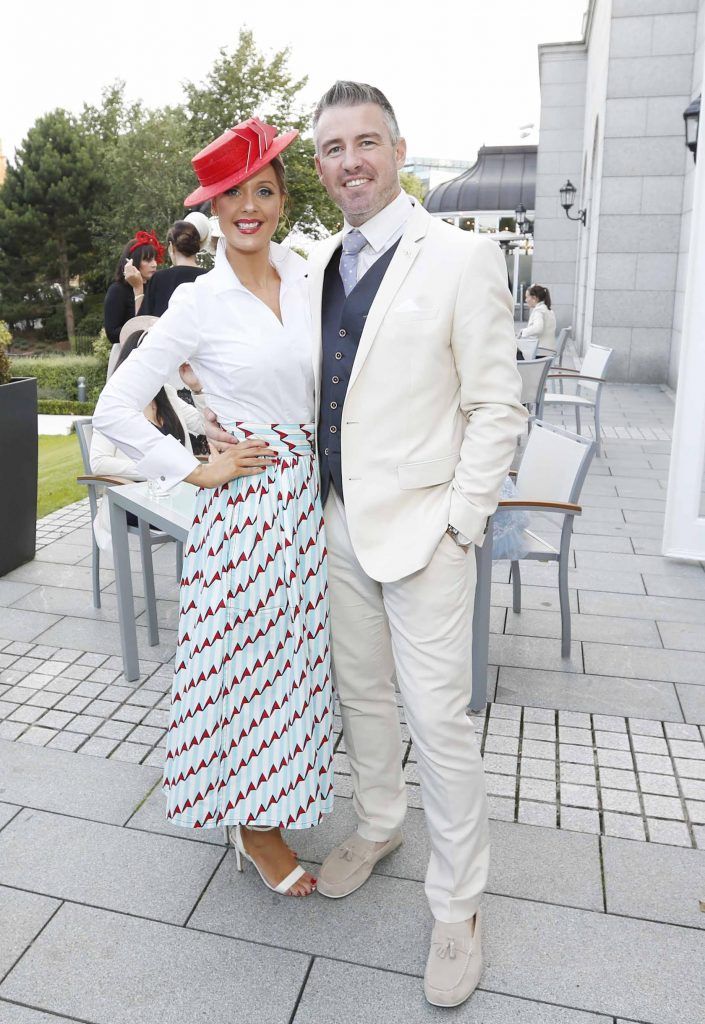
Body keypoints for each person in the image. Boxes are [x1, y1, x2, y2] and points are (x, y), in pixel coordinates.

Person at [205, 82, 527, 1006]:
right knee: (361, 697)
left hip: (426, 530)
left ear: (396, 149)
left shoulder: (460, 259)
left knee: (441, 724)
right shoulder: (310, 267)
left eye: (367, 142)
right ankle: (380, 820)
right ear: (317, 165)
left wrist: (462, 523)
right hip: (330, 519)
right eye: (333, 147)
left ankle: (458, 908)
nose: (351, 160)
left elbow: (495, 404)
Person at [93, 117, 334, 898]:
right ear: (212, 214)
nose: (249, 209)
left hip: (308, 499)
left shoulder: (307, 274)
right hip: (246, 504)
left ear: (281, 197)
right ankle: (257, 827)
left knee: (294, 667)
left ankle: (266, 803)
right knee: (255, 670)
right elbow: (116, 408)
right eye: (232, 198)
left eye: (262, 191)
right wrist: (195, 468)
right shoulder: (198, 301)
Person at [90, 317, 205, 552]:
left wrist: (197, 388)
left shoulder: (168, 395)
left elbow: (205, 425)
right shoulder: (115, 405)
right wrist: (161, 469)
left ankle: (206, 579)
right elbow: (98, 463)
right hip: (134, 497)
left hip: (177, 493)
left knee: (218, 511)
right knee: (207, 519)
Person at [104, 231, 163, 375]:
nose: (154, 264)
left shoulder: (155, 287)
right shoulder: (118, 290)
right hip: (126, 357)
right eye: (148, 260)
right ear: (133, 263)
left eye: (155, 259)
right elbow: (112, 333)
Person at [142, 220, 208, 316]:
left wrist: (138, 290)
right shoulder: (210, 277)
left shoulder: (159, 278)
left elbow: (143, 321)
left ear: (171, 247)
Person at [518, 283, 556, 353]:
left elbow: (538, 328)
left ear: (534, 298)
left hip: (541, 352)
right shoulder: (548, 310)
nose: (525, 300)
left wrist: (523, 332)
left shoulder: (539, 311)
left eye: (527, 297)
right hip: (548, 351)